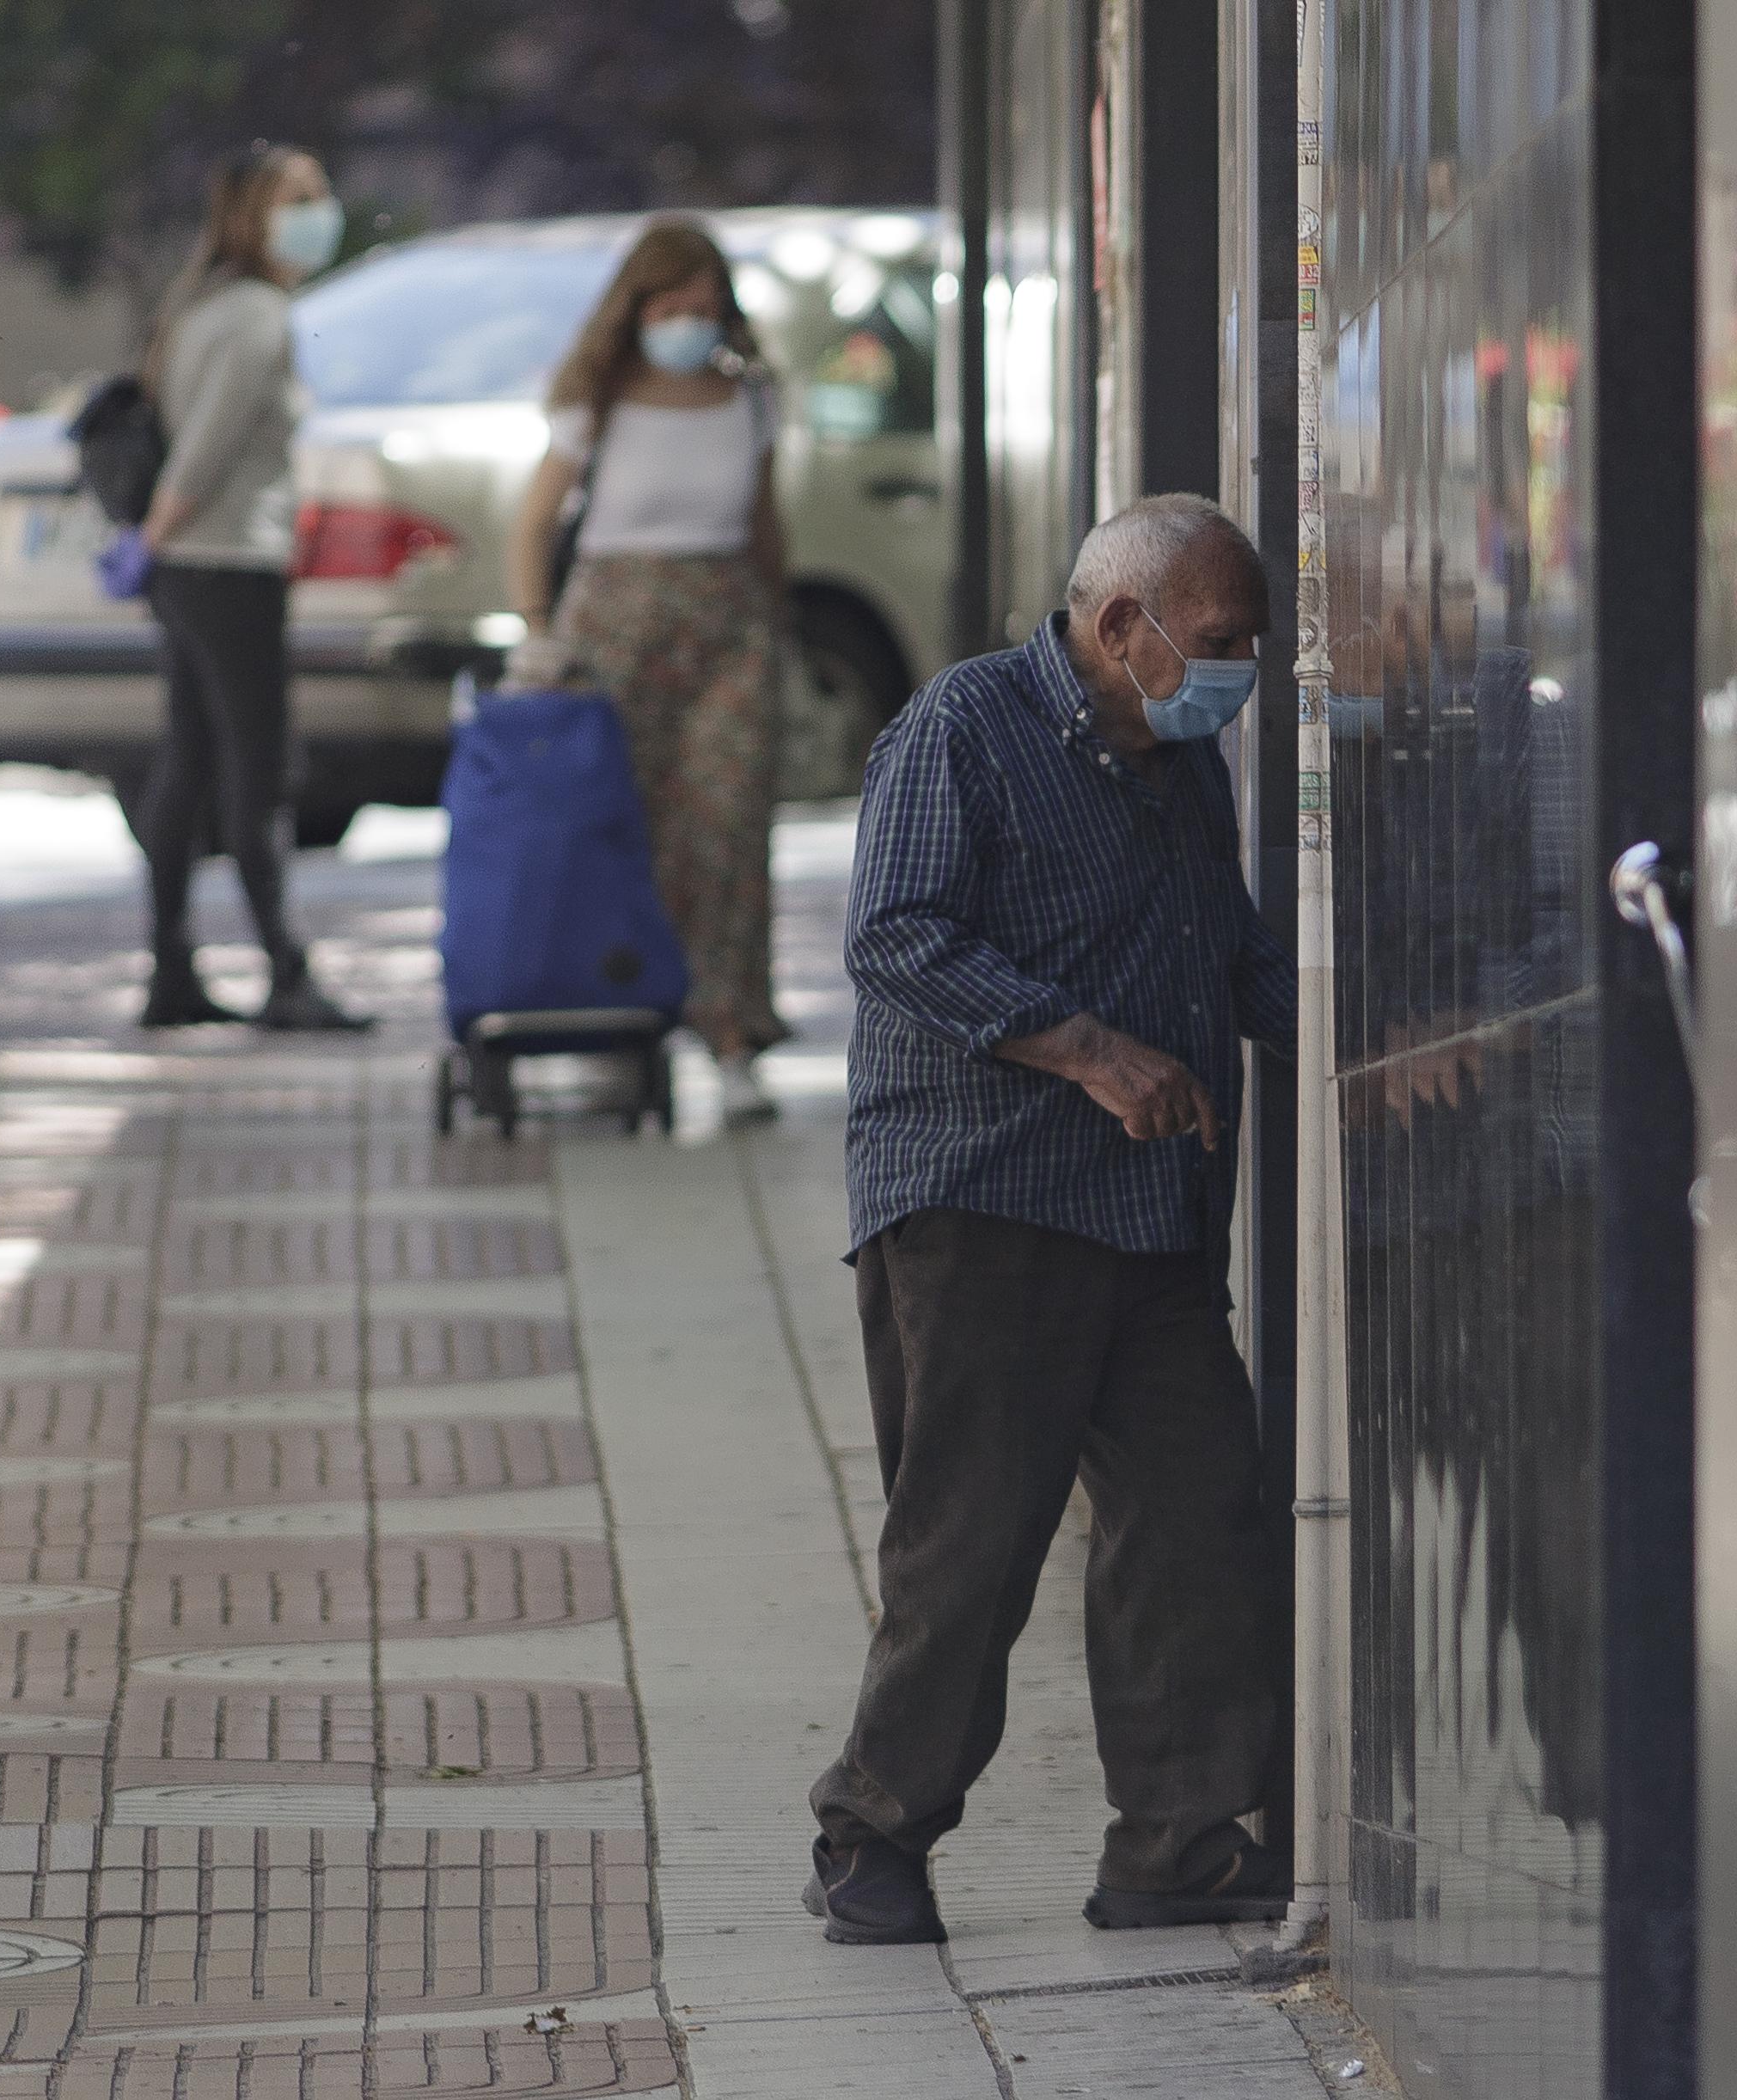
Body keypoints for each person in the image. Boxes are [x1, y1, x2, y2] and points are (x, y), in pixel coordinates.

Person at [804, 493, 1297, 1944]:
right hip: (984, 1200)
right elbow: (893, 933)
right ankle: (871, 1834)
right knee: (970, 1540)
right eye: (1219, 639)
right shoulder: (963, 728)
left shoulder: (1187, 763)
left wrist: (1376, 1041)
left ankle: (1177, 1837)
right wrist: (1086, 1048)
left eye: (1251, 641)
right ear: (1120, 625)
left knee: (1195, 1513)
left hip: (1150, 1214)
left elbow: (1240, 953)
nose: (1239, 667)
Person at [509, 216, 790, 1127]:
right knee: (617, 825)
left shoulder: (751, 401)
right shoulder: (597, 398)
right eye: (672, 305)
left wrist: (774, 618)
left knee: (729, 825)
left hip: (726, 622)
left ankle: (733, 1033)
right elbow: (533, 522)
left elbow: (764, 525)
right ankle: (615, 1027)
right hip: (615, 626)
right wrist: (538, 633)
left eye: (704, 306)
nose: (689, 322)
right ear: (635, 307)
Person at [134, 142, 370, 1032]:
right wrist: (160, 531)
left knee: (189, 760)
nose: (320, 211)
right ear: (253, 216)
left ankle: (171, 969)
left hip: (193, 565)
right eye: (299, 199)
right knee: (256, 766)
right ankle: (284, 971)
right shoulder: (257, 315)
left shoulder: (200, 307)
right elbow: (209, 445)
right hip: (227, 561)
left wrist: (156, 548)